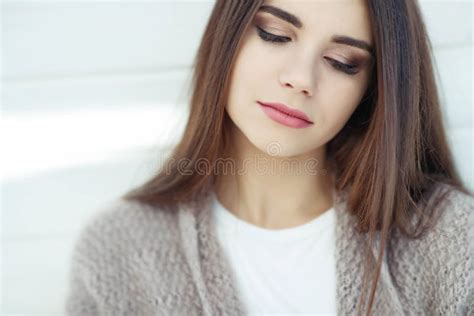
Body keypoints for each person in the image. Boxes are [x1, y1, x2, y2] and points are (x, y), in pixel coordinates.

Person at [65, 0, 474, 315]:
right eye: (275, 34)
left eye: (342, 62)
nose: (300, 78)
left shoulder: (453, 241)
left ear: (372, 91)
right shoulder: (117, 249)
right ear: (228, 34)